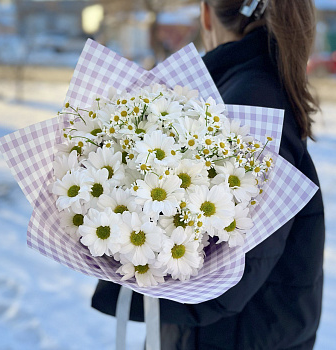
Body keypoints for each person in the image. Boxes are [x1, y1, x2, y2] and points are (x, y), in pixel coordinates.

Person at [91, 0, 325, 349]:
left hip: (236, 337)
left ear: (205, 14)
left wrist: (124, 253)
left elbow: (227, 277)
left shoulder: (249, 105)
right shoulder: (240, 92)